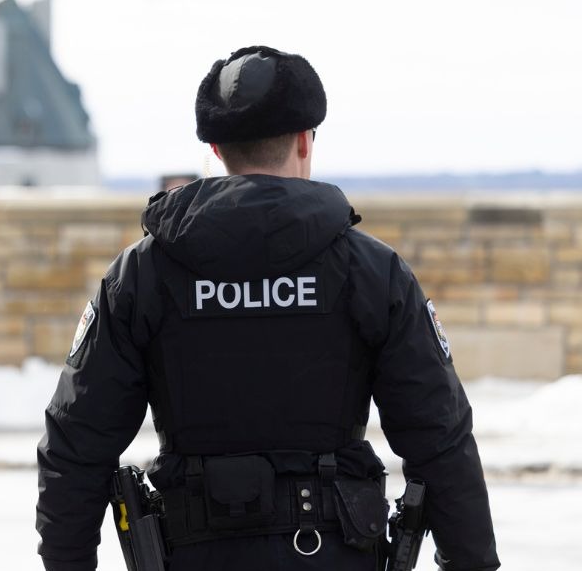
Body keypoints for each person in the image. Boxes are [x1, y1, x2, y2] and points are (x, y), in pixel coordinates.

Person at [35, 46, 499, 570]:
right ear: (305, 141)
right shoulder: (373, 271)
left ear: (214, 147)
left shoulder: (141, 275)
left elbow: (74, 446)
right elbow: (441, 440)